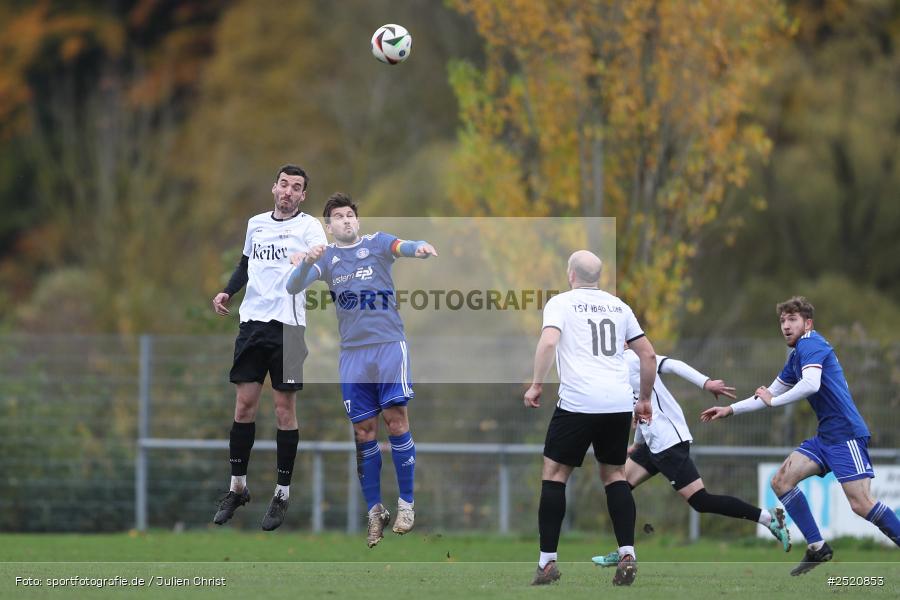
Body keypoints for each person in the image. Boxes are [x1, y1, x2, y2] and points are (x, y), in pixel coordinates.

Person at [701, 296, 900, 575]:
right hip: (826, 437)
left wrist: (773, 401)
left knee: (861, 504)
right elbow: (768, 394)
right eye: (782, 320)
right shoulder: (797, 356)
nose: (785, 325)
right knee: (781, 481)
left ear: (808, 323)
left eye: (792, 319)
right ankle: (818, 547)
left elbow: (810, 384)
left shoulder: (811, 343)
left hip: (846, 434)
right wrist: (730, 409)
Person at [286, 192, 437, 548]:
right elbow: (292, 286)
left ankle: (406, 504)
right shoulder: (326, 258)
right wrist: (307, 261)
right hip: (352, 355)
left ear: (358, 220)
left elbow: (403, 245)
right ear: (329, 226)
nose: (346, 220)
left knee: (396, 421)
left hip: (388, 346)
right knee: (363, 433)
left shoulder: (377, 243)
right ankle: (375, 511)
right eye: (338, 217)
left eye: (350, 215)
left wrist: (420, 247)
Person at [523, 250, 656, 587]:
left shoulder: (560, 303)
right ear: (599, 276)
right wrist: (643, 399)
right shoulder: (620, 306)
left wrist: (537, 384)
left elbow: (549, 341)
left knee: (554, 474)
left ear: (570, 273)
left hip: (579, 401)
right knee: (614, 475)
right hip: (616, 402)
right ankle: (627, 552)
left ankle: (547, 563)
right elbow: (648, 355)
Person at [591, 346, 791, 567]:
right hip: (652, 443)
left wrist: (706, 382)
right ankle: (625, 552)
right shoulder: (613, 370)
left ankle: (768, 518)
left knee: (700, 500)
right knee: (618, 486)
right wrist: (637, 444)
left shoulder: (632, 359)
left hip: (669, 442)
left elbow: (674, 365)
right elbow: (642, 409)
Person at [210, 164, 327, 531]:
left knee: (283, 411)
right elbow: (247, 263)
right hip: (252, 326)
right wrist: (228, 290)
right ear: (273, 187)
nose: (289, 191)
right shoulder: (256, 223)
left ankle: (281, 493)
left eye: (296, 187)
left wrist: (307, 257)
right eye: (284, 184)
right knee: (244, 407)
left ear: (303, 195)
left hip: (289, 329)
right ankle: (237, 488)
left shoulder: (308, 227)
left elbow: (321, 253)